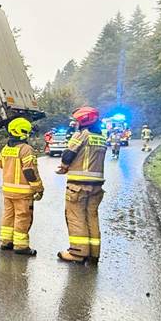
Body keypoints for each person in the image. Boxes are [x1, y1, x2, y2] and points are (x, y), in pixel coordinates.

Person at [56, 106, 107, 264]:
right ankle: (93, 253)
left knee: (76, 217)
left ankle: (77, 253)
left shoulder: (81, 135)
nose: (76, 123)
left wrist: (64, 167)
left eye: (78, 120)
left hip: (78, 185)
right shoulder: (101, 137)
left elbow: (68, 154)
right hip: (97, 186)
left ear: (83, 120)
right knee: (91, 217)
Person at [0, 117, 44, 256]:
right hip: (23, 193)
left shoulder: (6, 148)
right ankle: (21, 246)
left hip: (8, 191)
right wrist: (39, 189)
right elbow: (30, 172)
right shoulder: (26, 149)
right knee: (22, 217)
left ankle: (6, 242)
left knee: (8, 216)